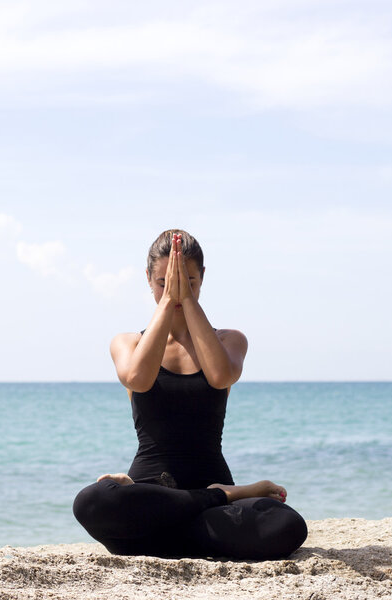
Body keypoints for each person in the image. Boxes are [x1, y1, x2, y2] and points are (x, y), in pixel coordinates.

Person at [73, 230, 307, 559]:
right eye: (164, 284)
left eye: (190, 282)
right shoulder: (128, 343)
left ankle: (167, 534)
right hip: (150, 494)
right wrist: (170, 300)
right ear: (148, 278)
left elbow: (221, 375)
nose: (180, 292)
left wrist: (189, 303)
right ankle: (218, 500)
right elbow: (138, 379)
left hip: (210, 490)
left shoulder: (230, 340)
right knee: (91, 501)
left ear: (203, 278)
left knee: (287, 524)